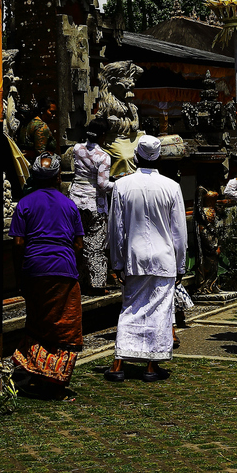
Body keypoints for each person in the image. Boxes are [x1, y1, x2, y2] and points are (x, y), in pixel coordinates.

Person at [105, 134, 187, 383]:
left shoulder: (122, 185)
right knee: (160, 312)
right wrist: (181, 263)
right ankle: (151, 366)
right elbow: (179, 232)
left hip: (135, 256)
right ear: (158, 157)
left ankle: (119, 362)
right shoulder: (172, 186)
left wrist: (116, 261)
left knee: (130, 308)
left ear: (136, 156)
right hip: (164, 257)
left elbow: (116, 229)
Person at [10, 153, 84, 399]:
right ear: (58, 177)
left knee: (37, 322)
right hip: (63, 270)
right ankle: (54, 381)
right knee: (65, 327)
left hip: (34, 270)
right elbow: (79, 244)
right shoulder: (69, 204)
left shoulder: (25, 203)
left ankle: (33, 371)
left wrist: (20, 275)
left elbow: (18, 243)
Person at [68, 117, 112, 294]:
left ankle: (79, 280)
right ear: (102, 135)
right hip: (94, 203)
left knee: (78, 242)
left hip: (75, 200)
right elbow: (102, 185)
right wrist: (120, 185)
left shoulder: (77, 148)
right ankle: (96, 285)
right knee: (95, 245)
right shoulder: (103, 156)